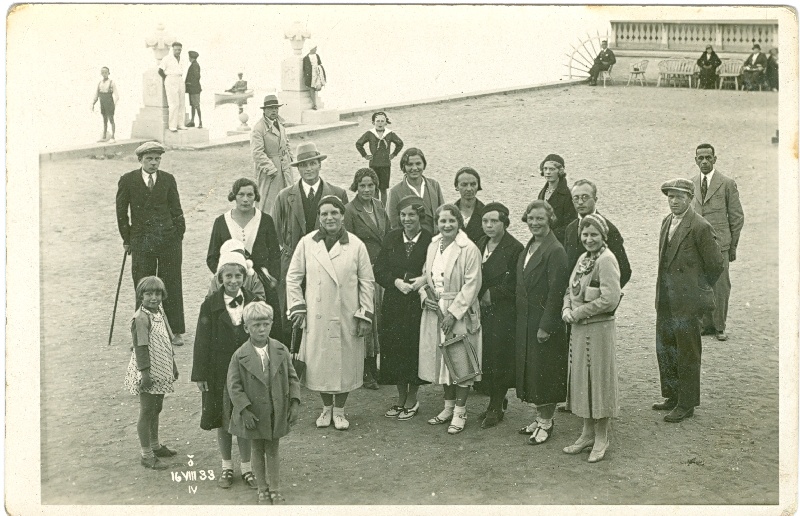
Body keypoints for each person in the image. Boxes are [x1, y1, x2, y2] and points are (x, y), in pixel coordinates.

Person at [286, 195, 375, 431]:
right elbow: (293, 277)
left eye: (334, 213)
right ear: (319, 217)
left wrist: (365, 313)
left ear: (342, 216)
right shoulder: (307, 243)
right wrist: (298, 307)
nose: (330, 218)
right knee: (321, 363)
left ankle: (340, 410)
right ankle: (326, 408)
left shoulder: (356, 245)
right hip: (318, 314)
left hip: (347, 313)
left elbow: (367, 282)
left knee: (345, 363)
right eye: (324, 214)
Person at [654, 179, 724, 423]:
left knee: (687, 352)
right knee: (666, 347)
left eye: (679, 197)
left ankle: (686, 404)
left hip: (687, 301)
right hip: (665, 299)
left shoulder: (700, 226)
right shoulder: (666, 222)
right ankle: (672, 396)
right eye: (670, 197)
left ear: (690, 198)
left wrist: (698, 289)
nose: (674, 201)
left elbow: (716, 265)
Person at [191, 252, 259, 489]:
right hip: (218, 372)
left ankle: (248, 467)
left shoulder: (253, 302)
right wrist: (200, 374)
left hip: (247, 372)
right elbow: (201, 341)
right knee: (222, 419)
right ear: (220, 278)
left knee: (246, 417)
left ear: (244, 276)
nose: (233, 280)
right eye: (228, 276)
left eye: (237, 275)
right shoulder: (210, 305)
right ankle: (227, 466)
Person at [272, 142, 349, 341]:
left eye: (312, 163)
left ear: (319, 165)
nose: (308, 169)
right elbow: (275, 232)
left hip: (327, 262)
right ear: (298, 169)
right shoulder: (284, 197)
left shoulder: (337, 193)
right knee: (291, 313)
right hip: (292, 262)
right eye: (304, 165)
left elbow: (343, 231)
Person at [227, 302, 300, 505]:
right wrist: (244, 410)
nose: (261, 329)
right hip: (255, 414)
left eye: (265, 324)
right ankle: (262, 489)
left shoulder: (281, 350)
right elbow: (234, 386)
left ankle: (275, 488)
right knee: (257, 451)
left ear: (271, 324)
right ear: (246, 328)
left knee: (273, 450)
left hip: (276, 412)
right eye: (256, 325)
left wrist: (294, 403)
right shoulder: (239, 355)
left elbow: (293, 378)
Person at [561, 215, 621, 463]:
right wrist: (566, 309)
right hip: (578, 329)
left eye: (594, 235)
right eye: (585, 235)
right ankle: (586, 434)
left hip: (598, 330)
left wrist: (577, 313)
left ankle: (601, 437)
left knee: (598, 381)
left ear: (603, 236)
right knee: (582, 381)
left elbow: (610, 299)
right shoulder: (583, 258)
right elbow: (570, 290)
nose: (588, 239)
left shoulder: (606, 260)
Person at [419, 204, 483, 434]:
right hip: (436, 308)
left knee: (460, 361)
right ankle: (447, 407)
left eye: (451, 221)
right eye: (442, 221)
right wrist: (423, 297)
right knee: (443, 360)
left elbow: (472, 284)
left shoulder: (469, 248)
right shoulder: (434, 245)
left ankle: (460, 411)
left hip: (459, 310)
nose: (447, 225)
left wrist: (453, 314)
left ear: (459, 223)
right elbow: (426, 275)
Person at [116, 141, 186, 345]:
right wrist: (127, 239)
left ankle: (175, 330)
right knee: (143, 285)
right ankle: (142, 333)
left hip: (168, 240)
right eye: (149, 159)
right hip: (142, 241)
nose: (154, 163)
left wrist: (178, 233)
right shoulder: (128, 180)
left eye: (157, 159)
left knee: (172, 282)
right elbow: (121, 213)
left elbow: (177, 209)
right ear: (140, 160)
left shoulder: (168, 179)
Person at [516, 200, 569, 444]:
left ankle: (547, 422)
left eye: (540, 219)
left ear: (550, 220)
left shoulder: (555, 250)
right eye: (531, 218)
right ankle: (539, 417)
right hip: (528, 320)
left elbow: (556, 292)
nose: (535, 223)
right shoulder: (531, 246)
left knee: (545, 373)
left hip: (544, 323)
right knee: (534, 372)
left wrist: (546, 326)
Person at [374, 196, 432, 420]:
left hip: (417, 303)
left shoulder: (430, 240)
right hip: (395, 301)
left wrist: (421, 281)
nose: (407, 219)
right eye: (403, 215)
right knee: (395, 348)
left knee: (413, 348)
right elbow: (379, 269)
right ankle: (400, 397)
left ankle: (413, 398)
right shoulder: (391, 238)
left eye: (412, 215)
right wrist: (395, 282)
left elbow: (435, 269)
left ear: (420, 216)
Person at [207, 178, 283, 338]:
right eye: (241, 194)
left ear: (255, 197)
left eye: (250, 194)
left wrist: (272, 278)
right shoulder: (221, 222)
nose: (245, 199)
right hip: (231, 284)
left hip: (261, 284)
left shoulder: (265, 220)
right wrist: (226, 277)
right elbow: (212, 257)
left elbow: (275, 254)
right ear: (234, 196)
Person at [475, 202, 523, 429]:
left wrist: (492, 294)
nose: (489, 225)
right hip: (482, 311)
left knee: (499, 357)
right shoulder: (480, 243)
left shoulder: (514, 249)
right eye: (485, 221)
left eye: (494, 221)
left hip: (502, 311)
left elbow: (517, 284)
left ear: (504, 222)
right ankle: (494, 400)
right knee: (485, 356)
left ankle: (496, 405)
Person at [123, 276, 179, 470]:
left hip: (161, 366)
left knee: (157, 408)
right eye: (148, 294)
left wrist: (172, 364)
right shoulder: (141, 318)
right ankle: (146, 454)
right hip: (147, 369)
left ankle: (155, 445)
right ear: (141, 296)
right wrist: (145, 375)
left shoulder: (159, 312)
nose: (154, 298)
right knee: (147, 411)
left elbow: (165, 341)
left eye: (157, 293)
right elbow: (140, 347)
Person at [690, 144, 744, 341]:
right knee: (700, 283)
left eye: (708, 157)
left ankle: (719, 326)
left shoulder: (727, 184)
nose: (704, 161)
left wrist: (732, 245)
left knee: (720, 285)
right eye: (700, 158)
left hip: (720, 243)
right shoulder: (691, 183)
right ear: (695, 160)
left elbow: (737, 217)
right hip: (697, 244)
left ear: (715, 159)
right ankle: (705, 325)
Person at [343, 168, 390, 390]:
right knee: (366, 317)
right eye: (362, 185)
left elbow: (388, 234)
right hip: (363, 271)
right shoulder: (350, 211)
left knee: (379, 318)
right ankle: (365, 369)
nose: (367, 189)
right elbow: (347, 243)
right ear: (356, 186)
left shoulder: (379, 206)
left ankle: (375, 365)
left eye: (370, 185)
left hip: (380, 270)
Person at [564, 179, 632, 288]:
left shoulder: (609, 229)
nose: (580, 202)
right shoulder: (570, 228)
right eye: (576, 198)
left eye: (585, 197)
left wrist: (600, 295)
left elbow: (624, 271)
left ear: (595, 199)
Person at [386, 148, 445, 234]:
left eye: (418, 164)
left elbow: (443, 214)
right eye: (409, 164)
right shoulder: (395, 191)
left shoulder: (434, 185)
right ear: (404, 167)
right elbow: (392, 223)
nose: (414, 168)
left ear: (424, 165)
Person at [251, 95, 294, 215]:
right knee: (268, 201)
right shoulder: (259, 128)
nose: (274, 111)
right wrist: (271, 169)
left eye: (276, 108)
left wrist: (290, 158)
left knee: (287, 196)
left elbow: (286, 142)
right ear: (264, 110)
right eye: (270, 108)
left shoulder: (280, 124)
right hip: (271, 171)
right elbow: (257, 153)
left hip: (285, 167)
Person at [355, 111, 404, 205]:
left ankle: (383, 208)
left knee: (384, 189)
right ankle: (376, 206)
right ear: (373, 123)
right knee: (375, 188)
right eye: (378, 121)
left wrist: (394, 154)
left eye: (382, 121)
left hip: (385, 165)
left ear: (386, 123)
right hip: (374, 164)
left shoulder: (390, 134)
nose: (380, 123)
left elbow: (400, 143)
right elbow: (359, 144)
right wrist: (365, 155)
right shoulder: (369, 134)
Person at [537, 154, 577, 245]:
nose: (547, 172)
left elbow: (571, 224)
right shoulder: (542, 193)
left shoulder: (567, 195)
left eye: (552, 169)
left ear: (560, 171)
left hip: (560, 241)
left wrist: (550, 234)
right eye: (545, 169)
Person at [158, 41, 187, 132]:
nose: (178, 51)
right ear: (172, 49)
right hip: (170, 79)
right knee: (174, 103)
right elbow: (160, 71)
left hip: (180, 79)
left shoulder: (182, 59)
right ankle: (172, 126)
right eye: (176, 49)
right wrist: (167, 79)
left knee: (182, 103)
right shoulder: (167, 59)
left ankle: (181, 124)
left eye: (179, 50)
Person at [453, 167, 485, 244]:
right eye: (464, 184)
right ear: (457, 186)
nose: (469, 188)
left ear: (478, 186)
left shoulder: (485, 212)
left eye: (473, 184)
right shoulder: (450, 212)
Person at [91, 66, 119, 142]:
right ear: (101, 73)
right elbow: (97, 94)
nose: (104, 74)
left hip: (109, 102)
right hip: (102, 101)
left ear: (108, 73)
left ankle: (113, 136)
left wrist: (114, 105)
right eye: (102, 72)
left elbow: (117, 96)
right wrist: (93, 103)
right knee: (104, 119)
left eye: (106, 72)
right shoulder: (100, 83)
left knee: (111, 119)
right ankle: (104, 135)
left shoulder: (111, 82)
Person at [302, 45, 326, 110]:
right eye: (315, 48)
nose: (316, 49)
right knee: (311, 89)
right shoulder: (306, 58)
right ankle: (314, 104)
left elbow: (319, 64)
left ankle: (315, 101)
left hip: (317, 73)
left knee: (318, 88)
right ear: (312, 49)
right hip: (310, 75)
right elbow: (305, 68)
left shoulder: (317, 56)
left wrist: (321, 74)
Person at [184, 51, 202, 128]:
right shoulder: (194, 65)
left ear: (191, 57)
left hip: (195, 89)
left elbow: (197, 76)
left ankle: (200, 122)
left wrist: (190, 83)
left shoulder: (195, 65)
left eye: (189, 57)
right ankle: (192, 121)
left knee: (196, 105)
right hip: (193, 89)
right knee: (193, 105)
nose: (189, 58)